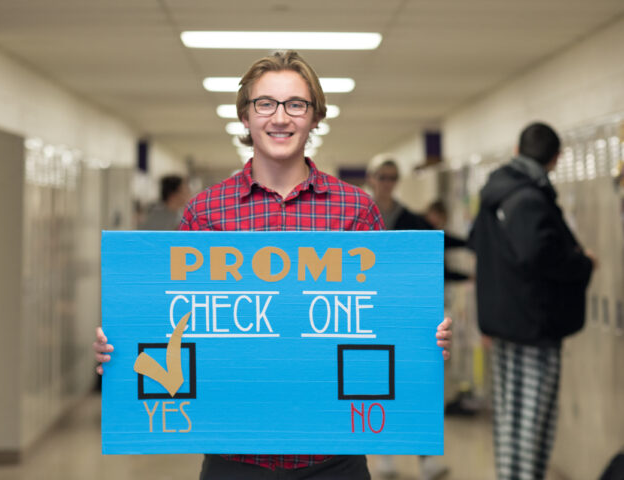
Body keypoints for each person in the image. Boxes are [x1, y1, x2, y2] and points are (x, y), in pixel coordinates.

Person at [94, 50, 453, 480]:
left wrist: (425, 338)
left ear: (315, 116)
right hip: (235, 455)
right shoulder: (206, 212)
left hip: (333, 455)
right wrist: (120, 344)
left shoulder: (356, 210)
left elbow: (383, 318)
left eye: (295, 104)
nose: (280, 118)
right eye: (265, 103)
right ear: (245, 116)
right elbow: (172, 321)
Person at [468, 122, 597, 480]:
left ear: (516, 150)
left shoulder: (496, 191)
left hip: (505, 322)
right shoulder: (528, 197)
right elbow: (538, 255)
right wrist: (583, 262)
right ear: (555, 158)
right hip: (533, 326)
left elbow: (480, 244)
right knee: (533, 423)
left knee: (511, 418)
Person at [367, 162, 451, 480]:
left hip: (407, 312)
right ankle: (385, 454)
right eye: (382, 177)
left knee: (416, 382)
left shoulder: (412, 220)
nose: (387, 183)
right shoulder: (358, 217)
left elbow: (431, 258)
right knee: (380, 384)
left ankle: (425, 455)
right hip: (372, 312)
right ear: (372, 179)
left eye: (392, 178)